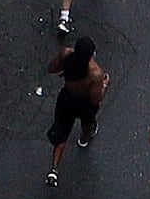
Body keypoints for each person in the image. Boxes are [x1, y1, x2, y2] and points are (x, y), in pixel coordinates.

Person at [42, 37, 107, 180]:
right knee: (87, 123)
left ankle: (54, 169)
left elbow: (52, 68)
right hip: (85, 104)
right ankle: (84, 139)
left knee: (62, 130)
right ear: (91, 54)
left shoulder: (66, 54)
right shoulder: (96, 74)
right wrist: (105, 84)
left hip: (67, 99)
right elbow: (96, 98)